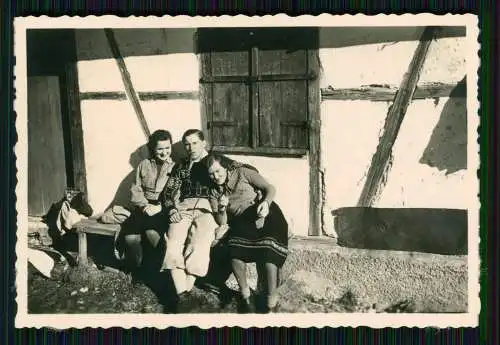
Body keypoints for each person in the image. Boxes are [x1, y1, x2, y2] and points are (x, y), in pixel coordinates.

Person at [205, 153, 289, 313]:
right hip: (242, 220)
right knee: (236, 253)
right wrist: (222, 208)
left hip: (265, 212)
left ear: (226, 168)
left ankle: (272, 302)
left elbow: (269, 188)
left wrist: (265, 202)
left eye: (218, 171)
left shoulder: (243, 172)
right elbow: (222, 221)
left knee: (268, 252)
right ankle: (246, 298)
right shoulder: (214, 192)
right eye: (211, 174)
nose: (215, 177)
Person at [161, 129, 230, 312]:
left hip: (207, 209)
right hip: (182, 208)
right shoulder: (182, 166)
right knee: (173, 242)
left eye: (195, 143)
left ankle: (182, 297)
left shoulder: (215, 162)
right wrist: (171, 209)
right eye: (187, 144)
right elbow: (168, 192)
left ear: (204, 143)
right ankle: (184, 296)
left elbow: (236, 174)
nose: (190, 147)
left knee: (200, 245)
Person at [119, 129, 175, 281]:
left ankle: (161, 273)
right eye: (160, 149)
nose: (164, 152)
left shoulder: (175, 167)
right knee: (130, 238)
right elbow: (135, 189)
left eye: (167, 148)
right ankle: (139, 270)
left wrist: (160, 207)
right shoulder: (144, 165)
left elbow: (175, 193)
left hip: (163, 207)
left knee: (152, 234)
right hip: (143, 206)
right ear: (153, 149)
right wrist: (144, 206)